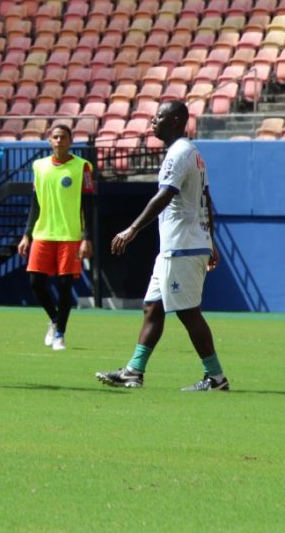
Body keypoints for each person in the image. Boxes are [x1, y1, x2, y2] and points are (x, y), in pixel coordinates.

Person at [96, 100, 230, 391]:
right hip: (177, 246)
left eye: (159, 117)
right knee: (152, 308)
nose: (152, 122)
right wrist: (211, 239)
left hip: (182, 246)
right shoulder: (191, 153)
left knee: (187, 311)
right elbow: (206, 199)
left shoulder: (179, 153)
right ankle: (134, 371)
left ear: (175, 120)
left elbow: (164, 196)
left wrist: (132, 229)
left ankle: (216, 377)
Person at [17, 124, 94, 351]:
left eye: (63, 137)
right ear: (50, 141)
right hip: (43, 233)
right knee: (35, 282)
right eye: (55, 137)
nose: (59, 141)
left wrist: (86, 237)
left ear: (70, 141)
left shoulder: (83, 167)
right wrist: (26, 235)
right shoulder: (39, 166)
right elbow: (35, 203)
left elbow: (88, 205)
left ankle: (60, 333)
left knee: (64, 285)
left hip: (70, 235)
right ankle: (54, 319)